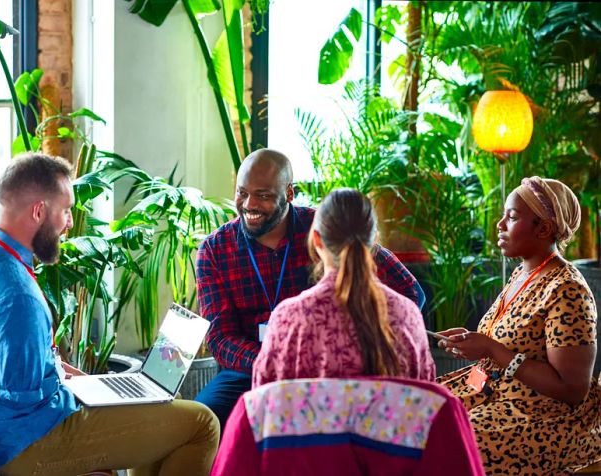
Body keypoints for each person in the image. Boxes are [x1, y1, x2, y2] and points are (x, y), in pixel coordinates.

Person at [0, 153, 219, 476]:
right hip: (27, 443)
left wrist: (87, 382)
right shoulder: (16, 295)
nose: (69, 222)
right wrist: (81, 392)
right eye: (66, 210)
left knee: (160, 401)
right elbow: (21, 398)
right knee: (202, 424)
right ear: (39, 211)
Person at [195, 148, 426, 429]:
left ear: (289, 194)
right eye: (242, 192)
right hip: (247, 371)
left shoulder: (324, 230)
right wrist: (277, 363)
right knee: (202, 421)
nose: (249, 204)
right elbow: (219, 338)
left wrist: (348, 347)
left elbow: (410, 294)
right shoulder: (215, 249)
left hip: (328, 367)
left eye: (264, 195)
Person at [436, 176, 601, 475]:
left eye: (511, 217)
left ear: (544, 228)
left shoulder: (566, 289)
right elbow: (505, 345)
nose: (499, 224)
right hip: (487, 392)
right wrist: (470, 340)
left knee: (444, 445)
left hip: (537, 418)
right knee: (415, 413)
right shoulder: (522, 274)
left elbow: (572, 389)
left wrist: (490, 348)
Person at [252, 188, 434, 387]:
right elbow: (427, 400)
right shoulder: (407, 315)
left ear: (317, 239)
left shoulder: (288, 319)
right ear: (373, 240)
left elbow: (262, 404)